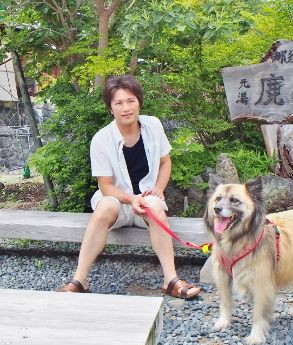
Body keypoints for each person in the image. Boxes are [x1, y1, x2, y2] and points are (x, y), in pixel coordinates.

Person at [58, 74, 200, 299]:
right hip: (118, 202)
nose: (126, 108)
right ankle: (80, 280)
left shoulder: (153, 125)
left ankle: (170, 280)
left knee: (154, 205)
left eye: (131, 100)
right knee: (105, 205)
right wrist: (130, 199)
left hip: (146, 199)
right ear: (110, 108)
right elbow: (105, 186)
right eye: (119, 103)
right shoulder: (101, 139)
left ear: (139, 102)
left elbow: (165, 161)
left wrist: (159, 189)